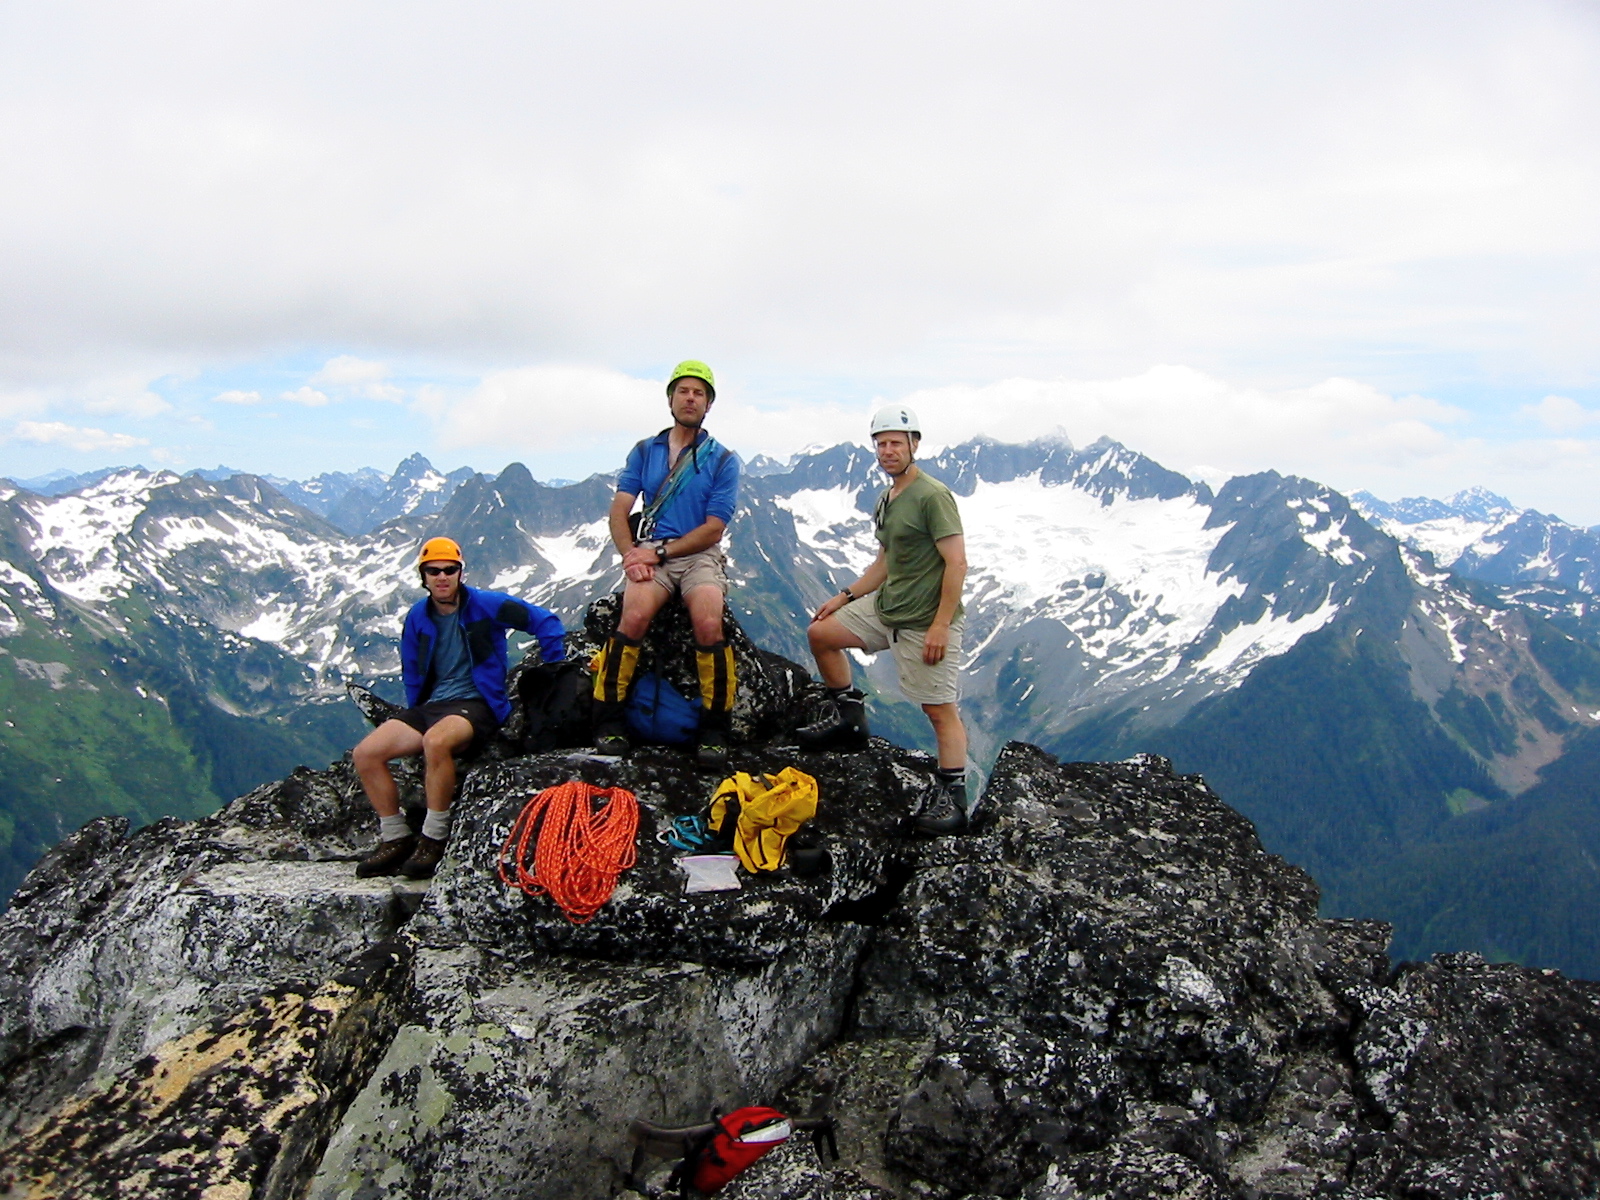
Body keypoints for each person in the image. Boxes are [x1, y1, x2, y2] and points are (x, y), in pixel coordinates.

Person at [797, 405, 971, 834]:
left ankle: (955, 799)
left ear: (914, 444)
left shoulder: (932, 496)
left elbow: (958, 563)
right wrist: (845, 596)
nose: (888, 450)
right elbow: (887, 561)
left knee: (938, 709)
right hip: (887, 607)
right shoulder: (888, 497)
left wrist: (940, 625)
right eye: (881, 443)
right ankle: (849, 722)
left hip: (924, 619)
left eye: (896, 442)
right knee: (821, 633)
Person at [353, 536, 565, 879]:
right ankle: (395, 837)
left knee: (435, 742)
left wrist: (555, 670)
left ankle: (434, 836)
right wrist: (415, 711)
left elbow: (545, 622)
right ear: (423, 576)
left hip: (477, 703)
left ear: (460, 573)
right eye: (434, 571)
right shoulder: (417, 617)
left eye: (449, 570)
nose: (442, 577)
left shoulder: (486, 604)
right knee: (366, 754)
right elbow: (411, 668)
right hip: (432, 705)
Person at [592, 359, 742, 767]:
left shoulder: (723, 459)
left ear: (708, 404)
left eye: (699, 393)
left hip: (696, 556)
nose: (690, 399)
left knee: (709, 621)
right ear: (671, 398)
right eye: (683, 391)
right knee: (633, 617)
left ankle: (715, 728)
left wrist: (655, 555)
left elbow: (713, 529)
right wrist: (630, 556)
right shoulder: (645, 451)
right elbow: (619, 510)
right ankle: (610, 718)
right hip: (650, 549)